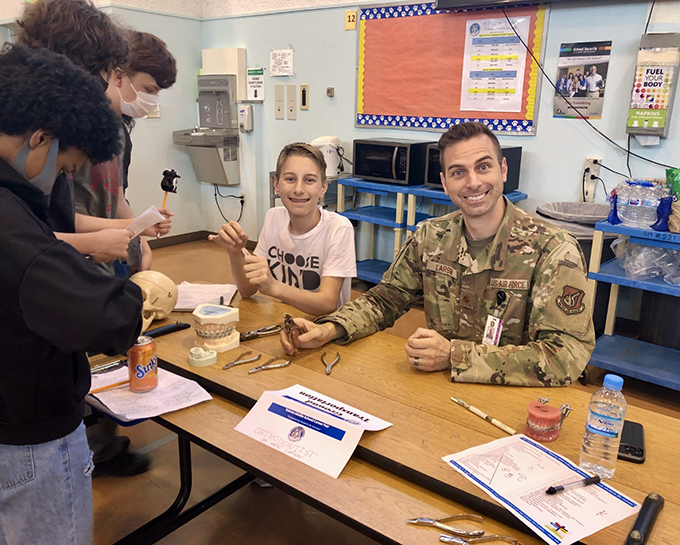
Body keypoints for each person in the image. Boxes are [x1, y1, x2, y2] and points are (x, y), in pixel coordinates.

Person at [281, 122, 595, 387]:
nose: (473, 182)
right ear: (445, 183)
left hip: (517, 402)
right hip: (440, 390)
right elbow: (382, 301)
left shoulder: (553, 249)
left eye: (483, 167)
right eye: (458, 172)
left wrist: (455, 356)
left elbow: (566, 355)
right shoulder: (431, 237)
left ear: (503, 170)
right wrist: (329, 328)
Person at [0, 42, 143, 544]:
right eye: (63, 170)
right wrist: (136, 291)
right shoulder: (12, 226)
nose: (59, 182)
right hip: (27, 437)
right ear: (39, 137)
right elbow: (104, 317)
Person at [15, 0, 157, 476]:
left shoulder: (35, 159)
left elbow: (54, 226)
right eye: (105, 77)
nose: (108, 89)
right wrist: (116, 288)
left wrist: (125, 228)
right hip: (26, 418)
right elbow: (33, 247)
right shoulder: (26, 176)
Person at [74, 29, 177, 275]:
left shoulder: (119, 131)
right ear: (118, 75)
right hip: (77, 256)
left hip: (109, 254)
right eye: (148, 89)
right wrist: (134, 227)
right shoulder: (77, 128)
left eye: (157, 93)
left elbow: (117, 198)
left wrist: (140, 240)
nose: (152, 100)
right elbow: (65, 217)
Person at [210, 143, 356, 315]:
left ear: (323, 188)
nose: (299, 189)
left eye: (309, 180)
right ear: (277, 184)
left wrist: (274, 287)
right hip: (282, 317)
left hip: (324, 328)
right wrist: (235, 252)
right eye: (290, 179)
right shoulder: (274, 217)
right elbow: (247, 290)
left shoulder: (338, 228)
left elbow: (327, 304)